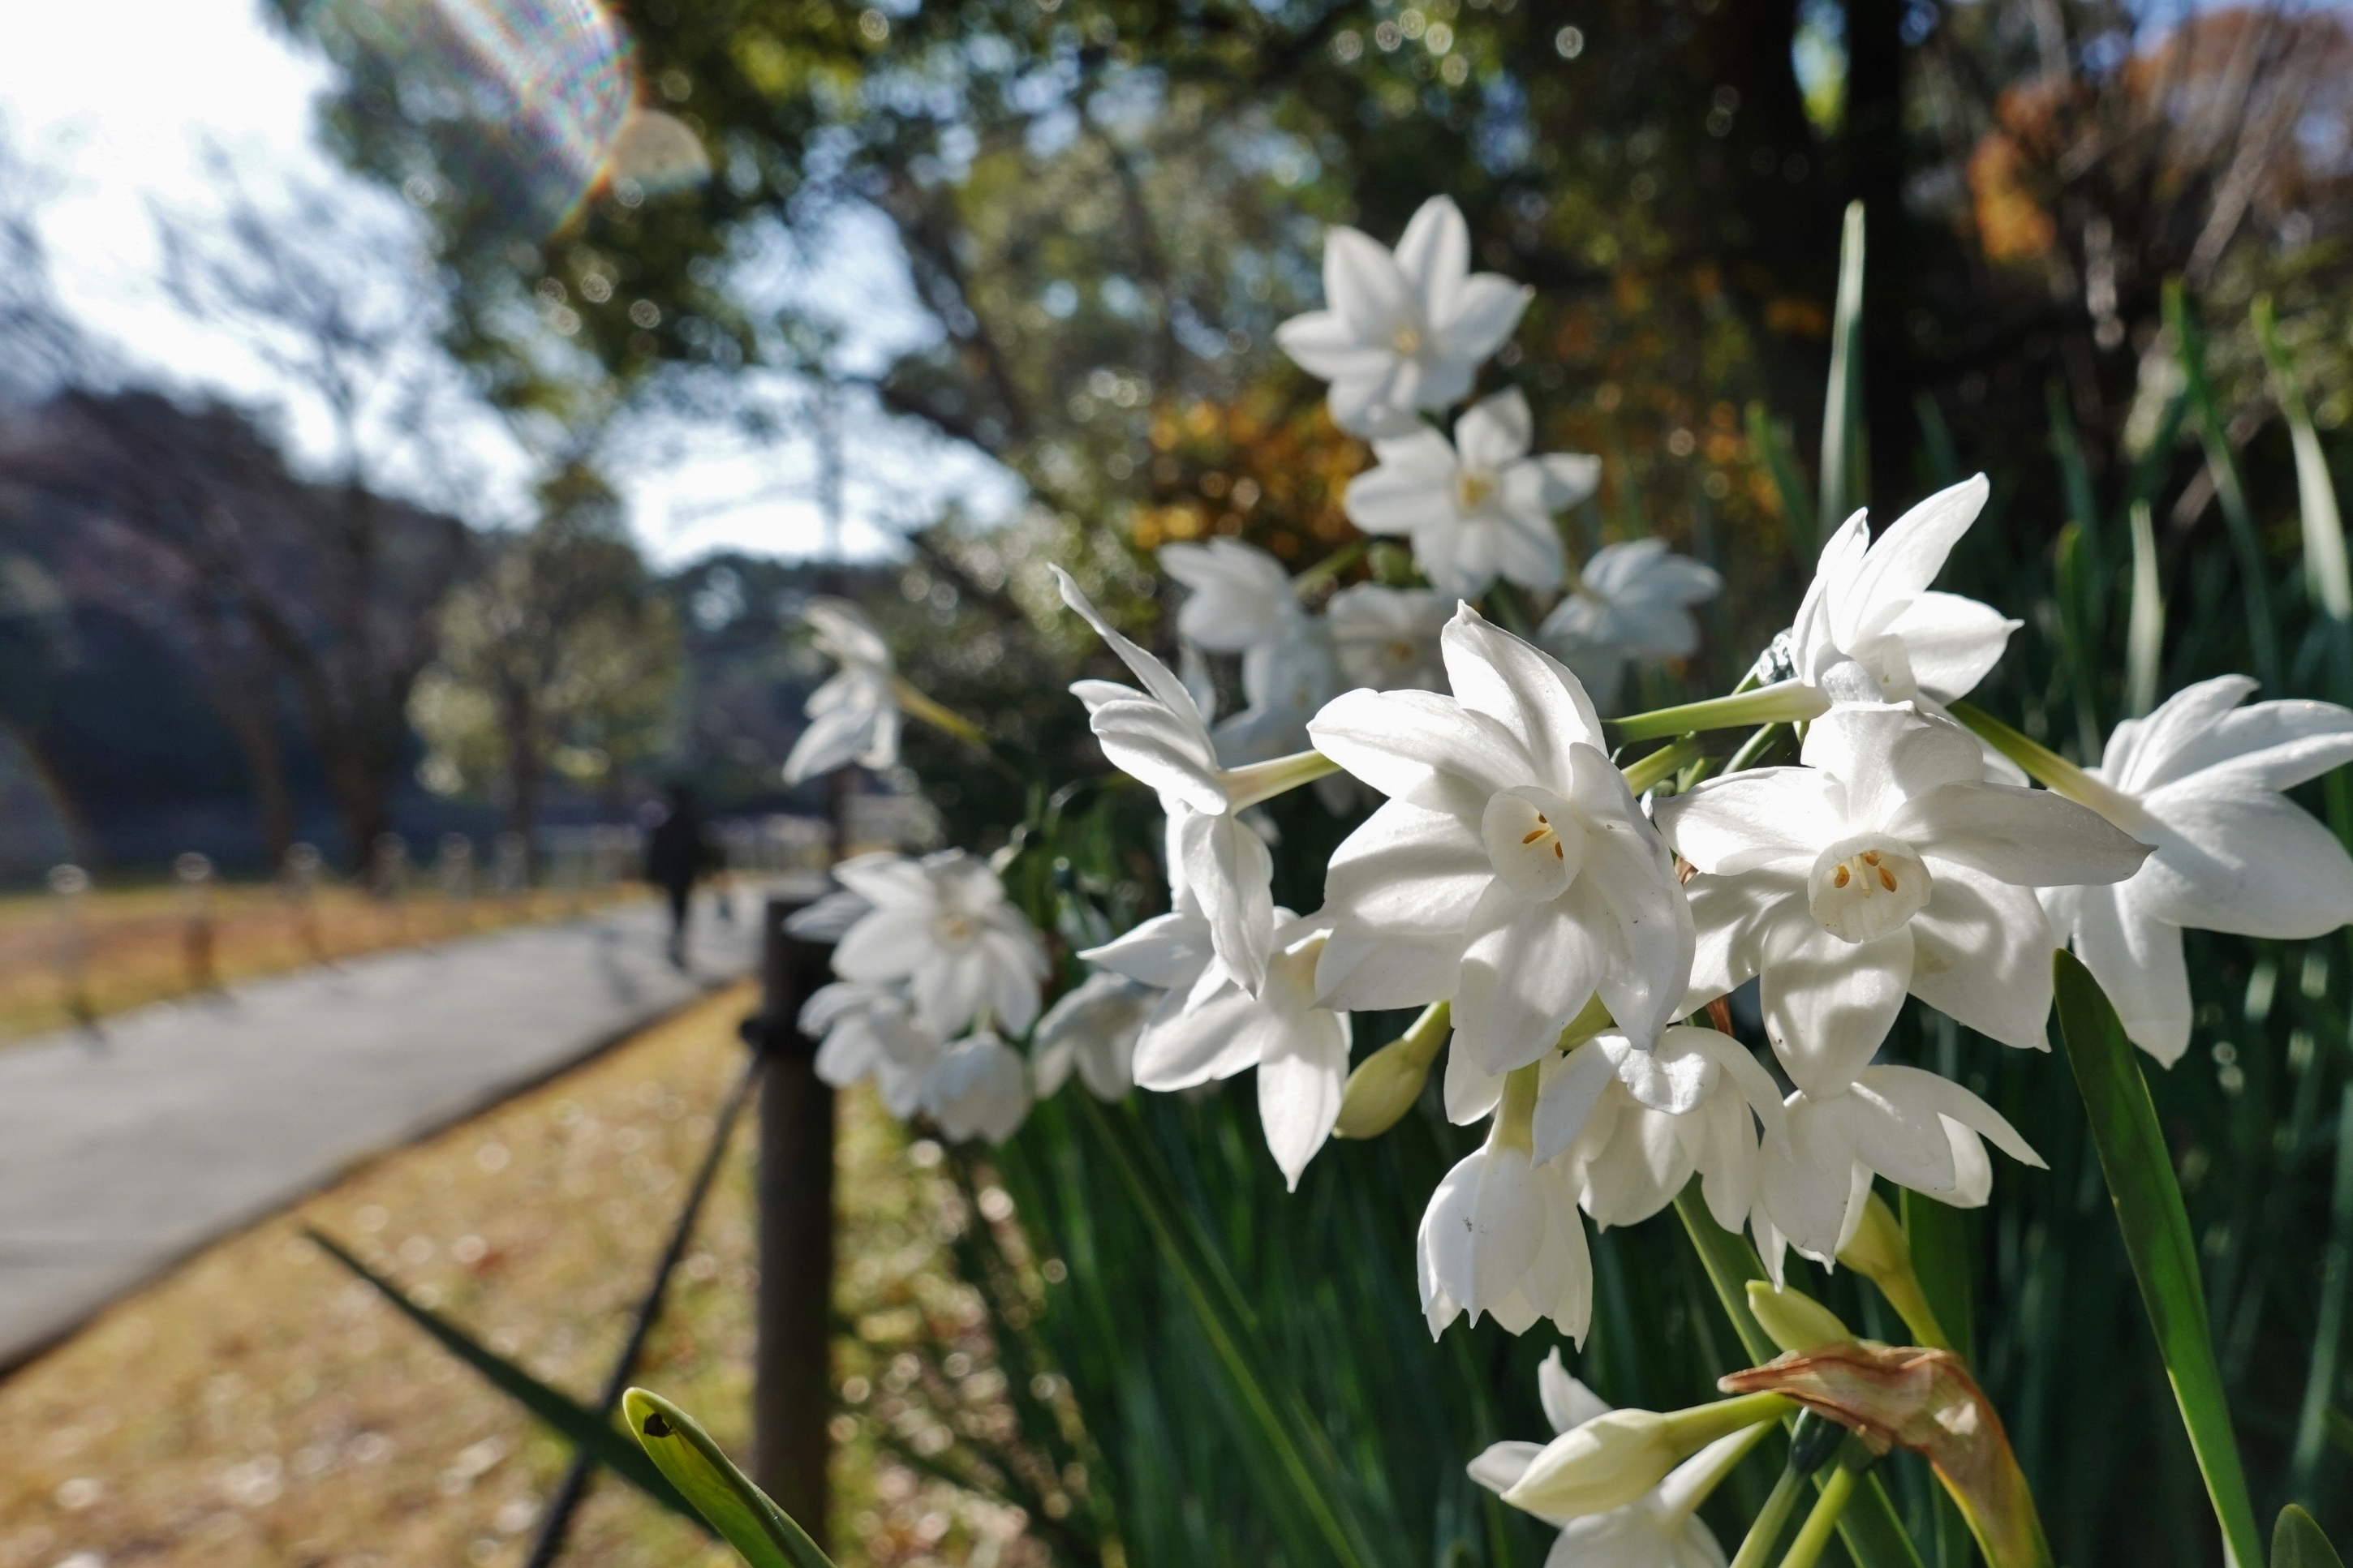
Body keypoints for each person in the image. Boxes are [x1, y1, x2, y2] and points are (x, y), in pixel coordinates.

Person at [643, 784, 720, 968]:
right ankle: (678, 940)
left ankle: (677, 940)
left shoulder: (669, 825)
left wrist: (653, 876)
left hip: (675, 875)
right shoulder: (691, 823)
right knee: (681, 908)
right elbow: (701, 851)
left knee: (678, 908)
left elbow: (655, 854)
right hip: (683, 875)